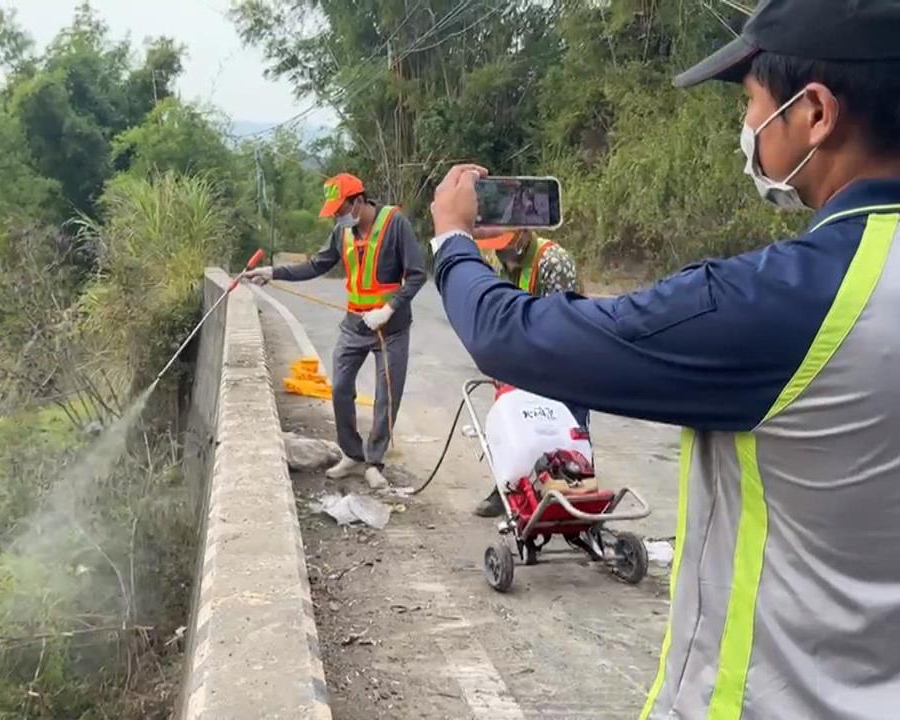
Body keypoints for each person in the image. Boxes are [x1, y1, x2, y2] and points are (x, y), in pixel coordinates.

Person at [428, 1, 900, 717]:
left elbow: (513, 337)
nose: (746, 129)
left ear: (814, 114)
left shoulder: (781, 302)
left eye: (751, 103)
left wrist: (453, 240)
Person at [246, 173, 426, 490]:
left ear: (359, 201)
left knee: (387, 397)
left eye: (341, 210)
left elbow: (416, 275)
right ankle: (352, 453)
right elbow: (317, 265)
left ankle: (373, 461)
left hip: (391, 328)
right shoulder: (342, 233)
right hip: (354, 325)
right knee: (340, 387)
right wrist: (273, 272)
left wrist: (388, 309)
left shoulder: (395, 224)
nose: (338, 217)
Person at [471, 230, 586, 518]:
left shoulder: (554, 262)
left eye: (504, 247)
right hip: (525, 359)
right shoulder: (504, 262)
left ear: (521, 238)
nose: (499, 254)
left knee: (567, 432)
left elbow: (562, 324)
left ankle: (575, 497)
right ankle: (511, 489)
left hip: (565, 359)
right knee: (515, 428)